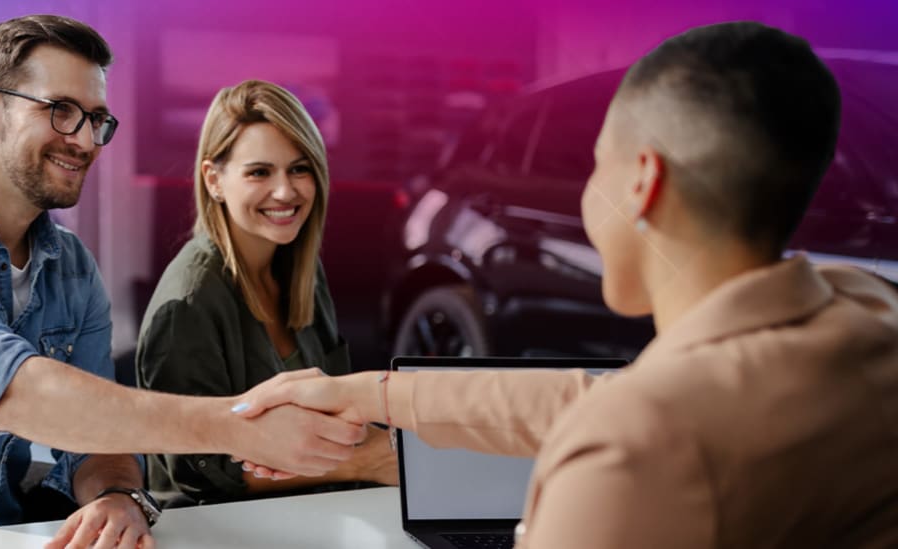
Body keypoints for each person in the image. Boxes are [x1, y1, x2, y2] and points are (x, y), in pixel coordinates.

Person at [232, 21, 898, 548]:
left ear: (642, 182)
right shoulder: (866, 309)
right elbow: (595, 399)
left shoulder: (631, 453)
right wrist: (368, 393)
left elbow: (626, 420)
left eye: (595, 166)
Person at [0, 15, 365, 545]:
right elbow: (15, 392)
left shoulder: (73, 266)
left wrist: (117, 495)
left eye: (97, 120)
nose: (84, 140)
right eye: (60, 110)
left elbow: (96, 446)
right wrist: (240, 428)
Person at [136, 80, 397, 505]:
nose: (285, 191)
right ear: (214, 180)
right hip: (218, 525)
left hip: (316, 509)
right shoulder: (188, 304)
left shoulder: (302, 271)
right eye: (259, 172)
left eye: (299, 168)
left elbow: (335, 413)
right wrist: (366, 462)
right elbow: (200, 474)